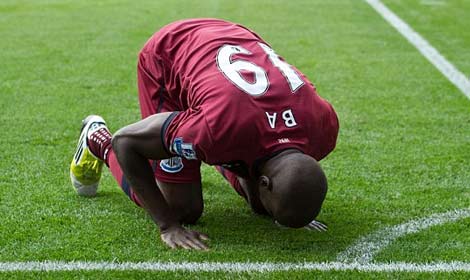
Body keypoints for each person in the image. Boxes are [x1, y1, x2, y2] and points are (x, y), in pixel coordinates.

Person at [70, 18, 339, 250]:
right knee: (182, 208)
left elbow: (288, 171)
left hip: (233, 43)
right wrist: (168, 226)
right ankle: (95, 139)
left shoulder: (323, 127)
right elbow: (127, 142)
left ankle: (235, 171)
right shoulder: (218, 128)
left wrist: (295, 209)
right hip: (170, 54)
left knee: (260, 204)